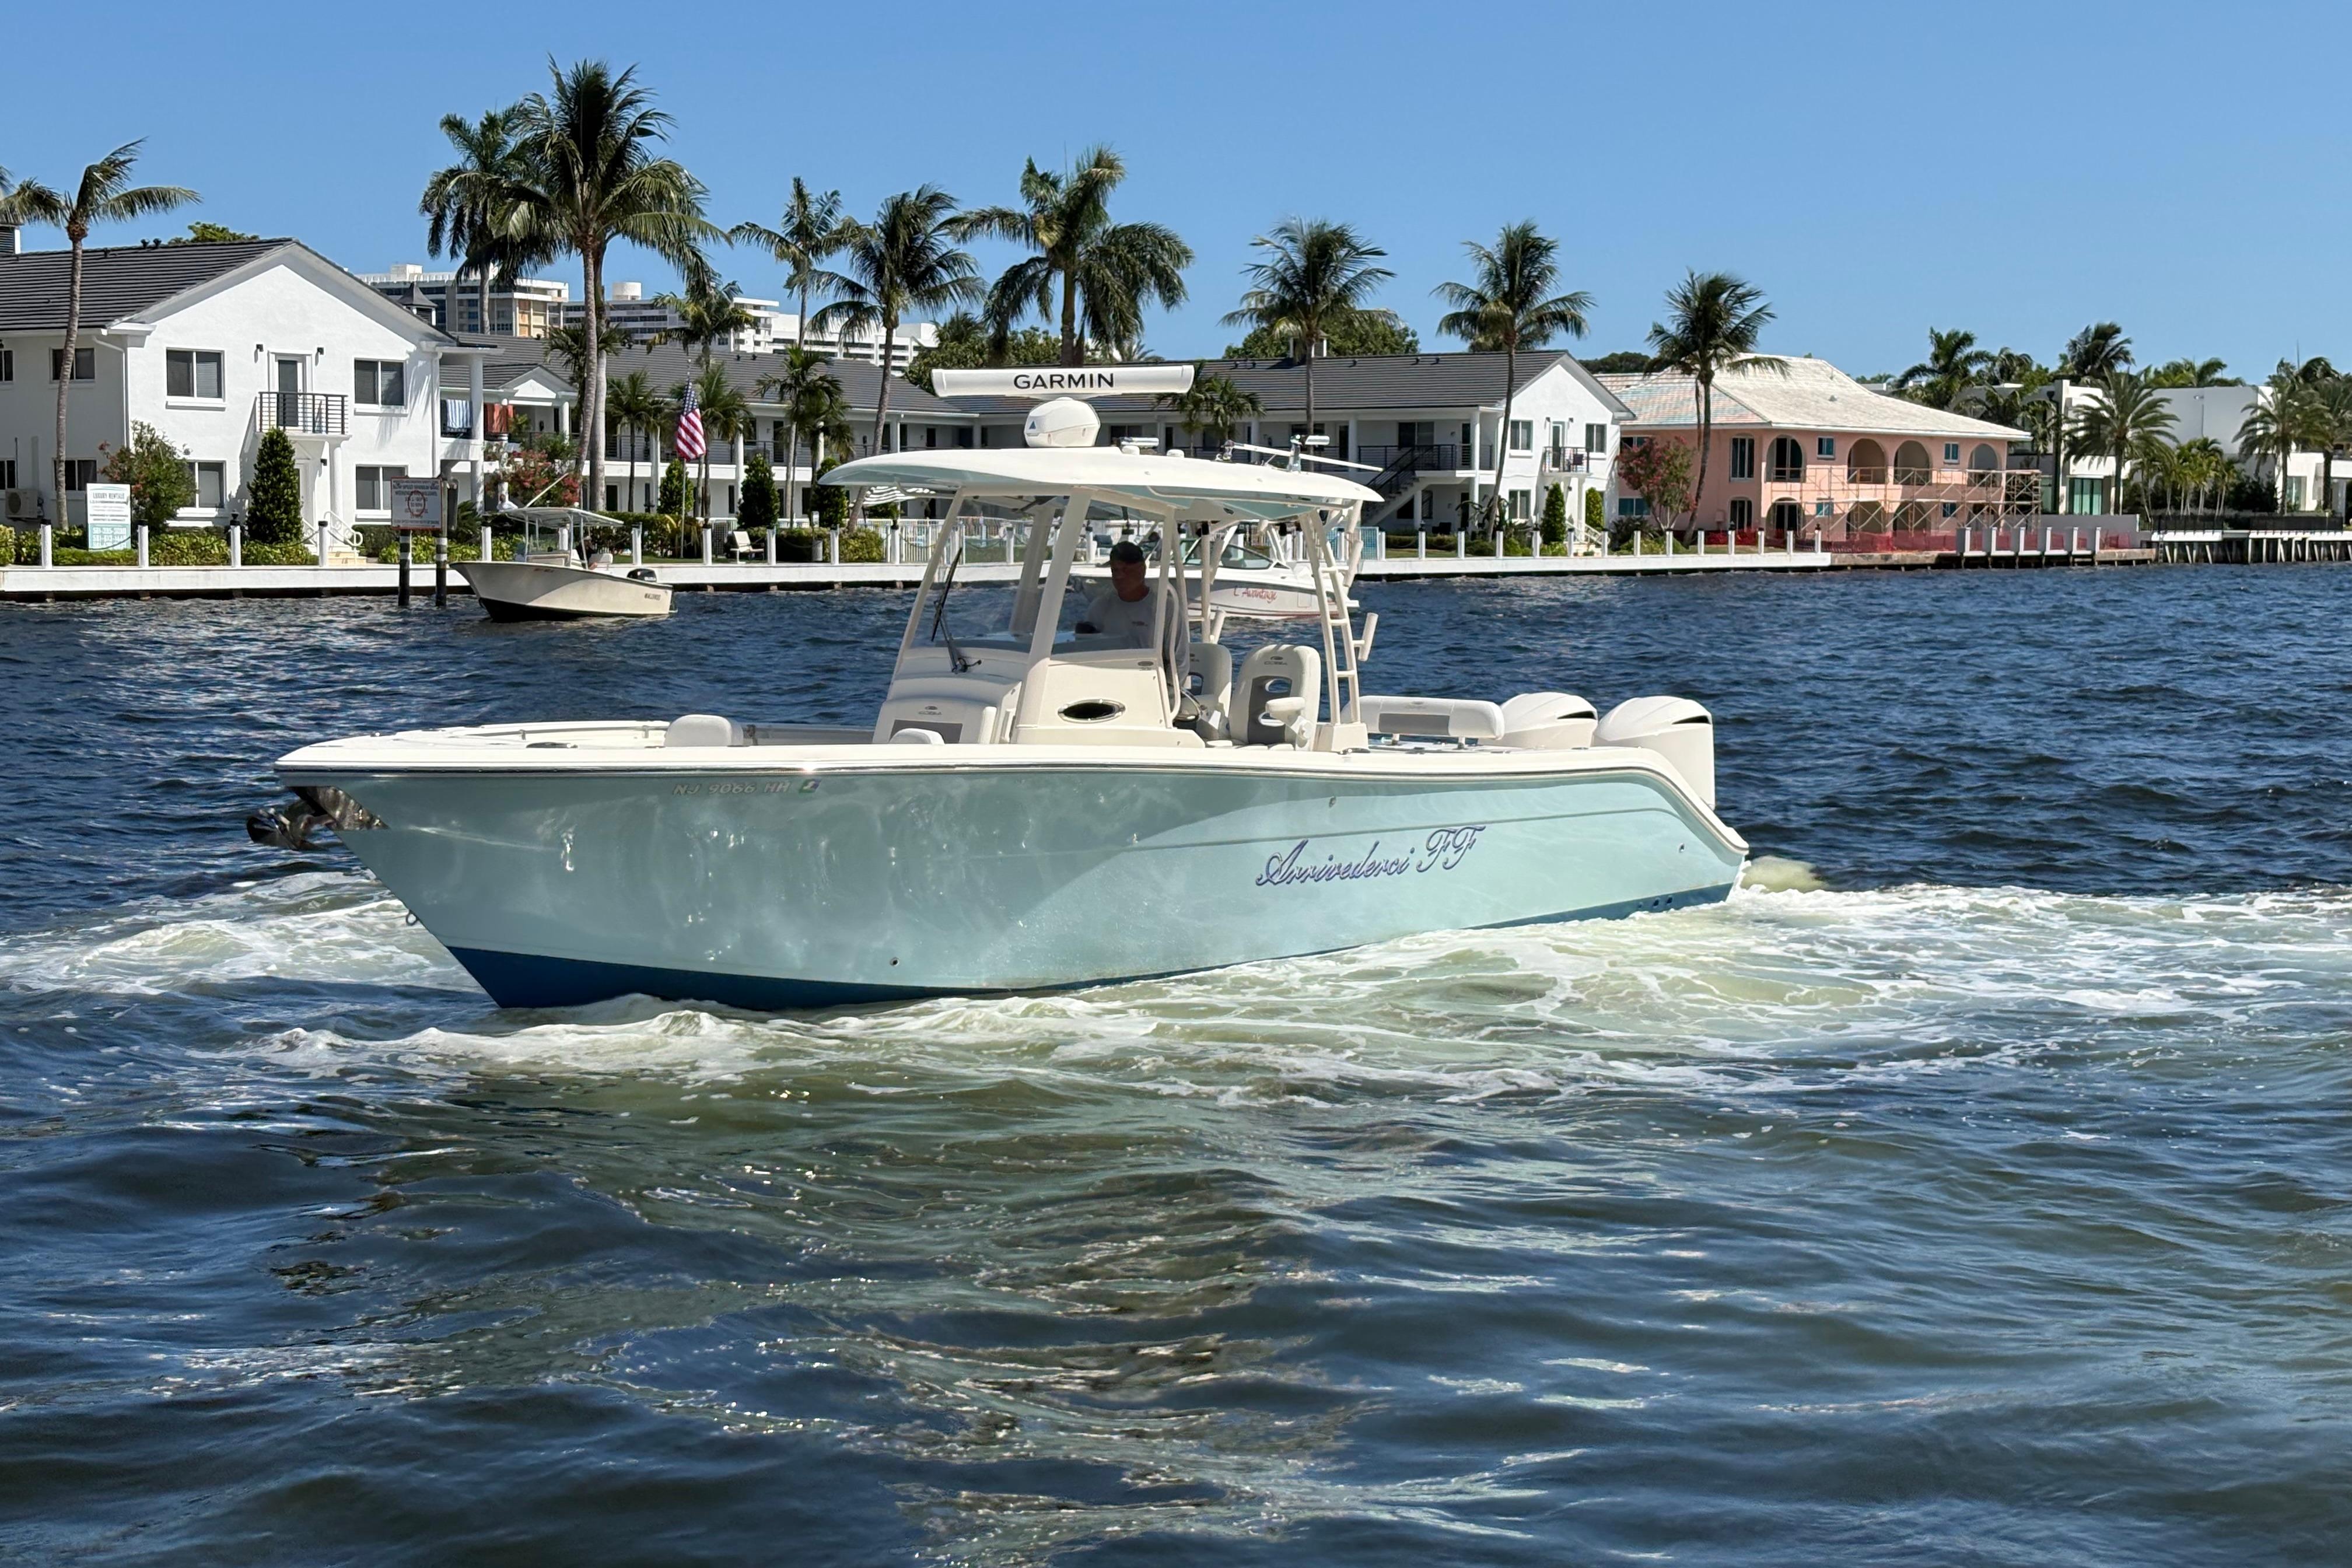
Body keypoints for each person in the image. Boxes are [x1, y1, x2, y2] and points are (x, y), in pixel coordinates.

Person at [1075, 540, 1164, 648]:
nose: (1119, 576)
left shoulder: (1164, 608)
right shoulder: (1099, 607)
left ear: (1142, 570)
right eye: (1115, 571)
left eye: (1127, 570)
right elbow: (1085, 648)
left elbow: (1179, 658)